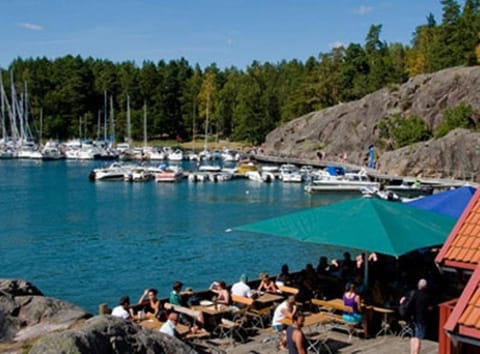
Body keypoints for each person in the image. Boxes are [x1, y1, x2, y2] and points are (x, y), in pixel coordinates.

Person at [401, 278, 431, 354]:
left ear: (418, 285)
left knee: (413, 337)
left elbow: (403, 300)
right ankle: (416, 353)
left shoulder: (413, 293)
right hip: (421, 319)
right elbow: (429, 308)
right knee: (418, 338)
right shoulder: (426, 296)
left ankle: (412, 352)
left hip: (412, 317)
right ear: (426, 286)